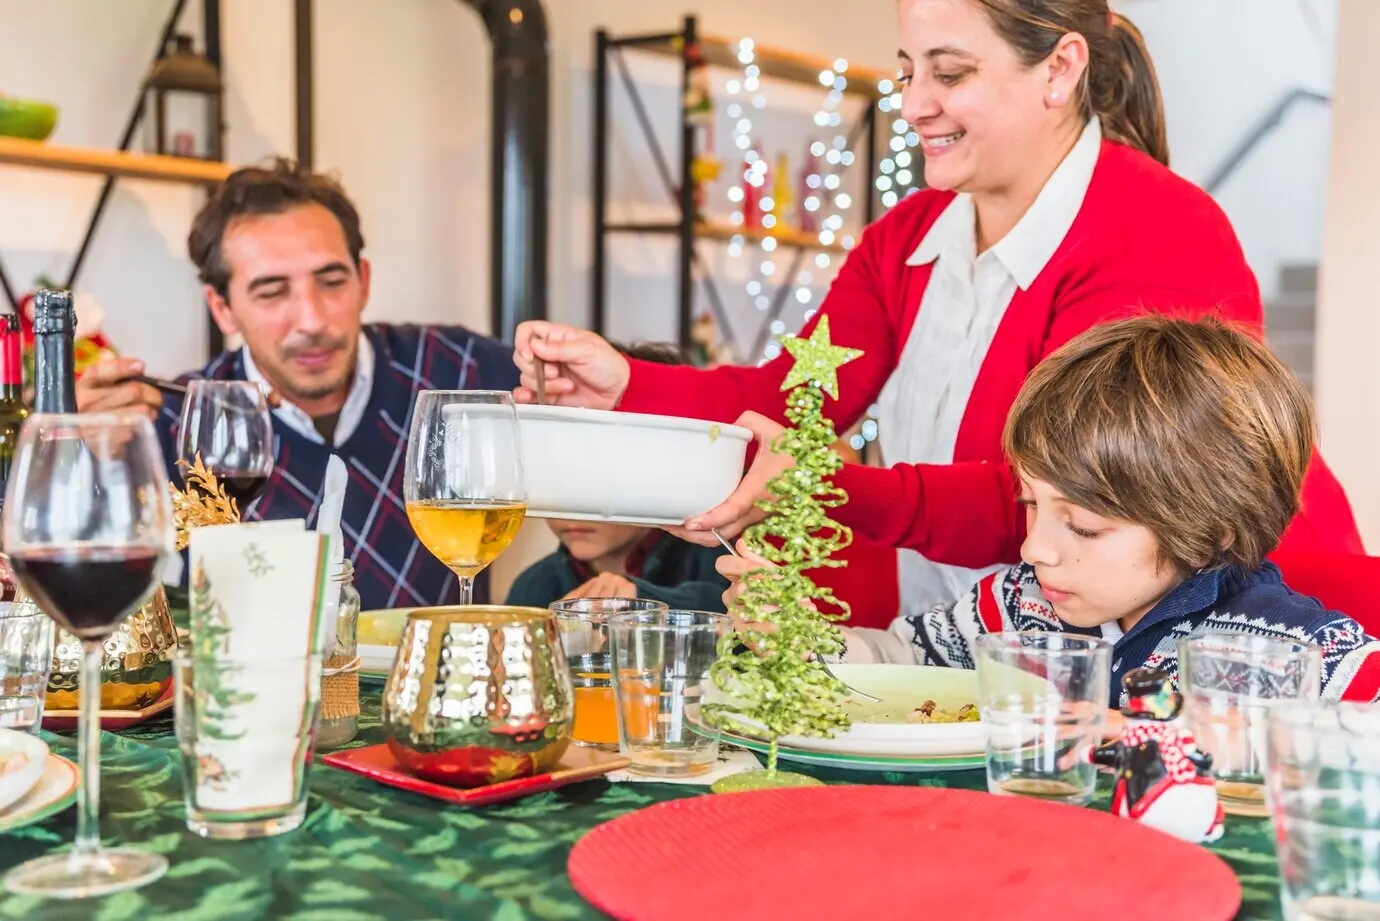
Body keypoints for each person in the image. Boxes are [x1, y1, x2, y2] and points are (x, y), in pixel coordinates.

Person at [510, 0, 1361, 622]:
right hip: (1007, 638)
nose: (913, 103)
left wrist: (838, 488)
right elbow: (792, 398)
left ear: (1060, 70)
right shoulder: (908, 237)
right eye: (910, 69)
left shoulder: (1160, 232)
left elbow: (1083, 495)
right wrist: (625, 384)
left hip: (1222, 643)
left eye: (950, 73)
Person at [721, 316, 1380, 705]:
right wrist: (800, 640)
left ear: (1209, 533)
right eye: (1032, 504)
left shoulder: (1292, 650)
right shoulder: (1016, 606)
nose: (1036, 547)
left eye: (1085, 525)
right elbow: (896, 662)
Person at [74, 158, 518, 610]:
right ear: (222, 307)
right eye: (271, 292)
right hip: (251, 681)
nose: (311, 320)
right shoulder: (181, 418)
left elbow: (584, 458)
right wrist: (81, 456)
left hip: (436, 678)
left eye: (331, 282)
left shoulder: (459, 370)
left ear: (362, 282)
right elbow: (76, 576)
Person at [507, 342, 730, 612]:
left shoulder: (725, 557)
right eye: (555, 474)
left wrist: (644, 604)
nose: (573, 505)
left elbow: (739, 617)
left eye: (597, 476)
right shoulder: (533, 588)